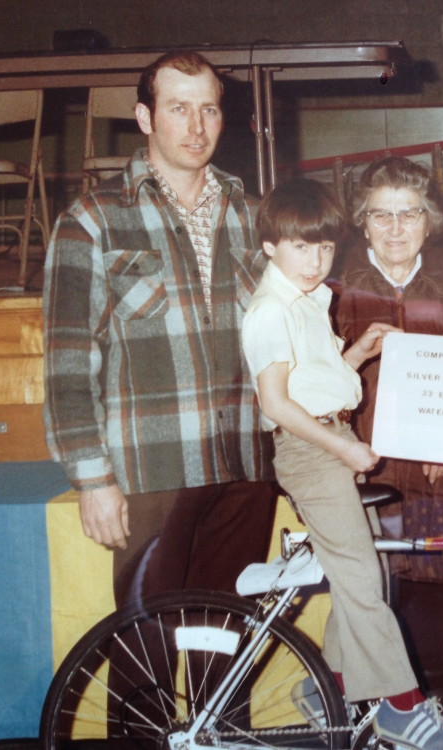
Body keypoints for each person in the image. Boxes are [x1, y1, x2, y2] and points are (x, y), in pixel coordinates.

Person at [242, 178, 443, 750]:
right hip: (315, 449)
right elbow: (276, 403)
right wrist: (345, 448)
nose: (315, 260)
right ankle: (400, 709)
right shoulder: (271, 311)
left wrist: (358, 352)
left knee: (360, 572)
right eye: (301, 247)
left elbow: (316, 383)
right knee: (362, 581)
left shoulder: (306, 300)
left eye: (325, 248)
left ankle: (331, 684)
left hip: (332, 438)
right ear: (270, 247)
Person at [43, 50, 277, 609]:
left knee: (227, 646)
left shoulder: (257, 216)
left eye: (210, 111)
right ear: (145, 118)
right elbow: (67, 364)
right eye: (178, 108)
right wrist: (93, 480)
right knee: (143, 647)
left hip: (245, 466)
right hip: (153, 469)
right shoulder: (91, 220)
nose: (197, 128)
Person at [334, 155, 443, 703]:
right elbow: (304, 386)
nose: (395, 227)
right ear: (362, 220)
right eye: (381, 214)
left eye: (409, 213)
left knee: (436, 625)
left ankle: (438, 726)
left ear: (429, 220)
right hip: (360, 478)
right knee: (366, 615)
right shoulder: (334, 289)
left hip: (436, 480)